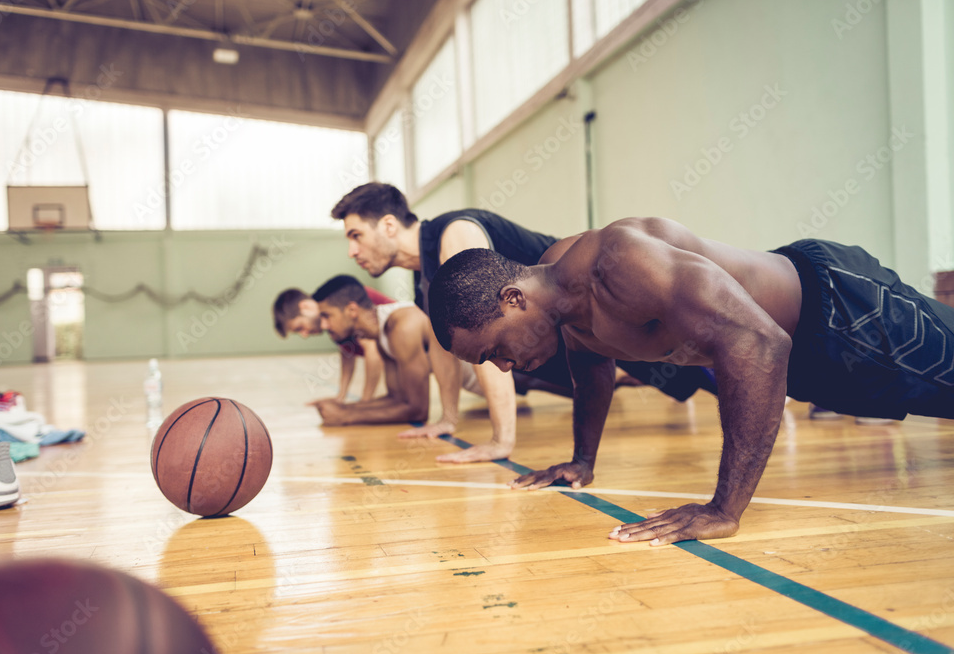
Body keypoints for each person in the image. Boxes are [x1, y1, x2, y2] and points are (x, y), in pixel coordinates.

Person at [427, 216, 954, 545]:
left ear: (513, 299)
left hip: (843, 307)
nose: (501, 367)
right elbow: (591, 368)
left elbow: (760, 343)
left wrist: (724, 509)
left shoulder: (620, 263)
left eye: (494, 350)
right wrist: (582, 461)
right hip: (811, 361)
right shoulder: (559, 299)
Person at [330, 182, 716, 463]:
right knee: (666, 376)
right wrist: (446, 418)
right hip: (568, 344)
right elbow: (446, 349)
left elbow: (490, 329)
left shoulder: (454, 235)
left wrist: (502, 441)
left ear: (389, 226)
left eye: (356, 236)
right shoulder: (425, 280)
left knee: (700, 361)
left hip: (606, 306)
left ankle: (772, 389)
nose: (352, 251)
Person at [310, 275, 479, 428]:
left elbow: (418, 410)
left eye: (326, 316)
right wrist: (342, 407)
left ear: (352, 310)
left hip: (500, 383)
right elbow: (396, 398)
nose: (323, 326)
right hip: (477, 388)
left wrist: (345, 415)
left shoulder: (402, 327)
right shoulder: (382, 333)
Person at [273, 285, 392, 404]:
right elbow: (347, 353)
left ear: (306, 307)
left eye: (300, 328)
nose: (304, 335)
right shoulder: (330, 321)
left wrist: (365, 403)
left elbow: (374, 354)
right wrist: (340, 396)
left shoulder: (339, 301)